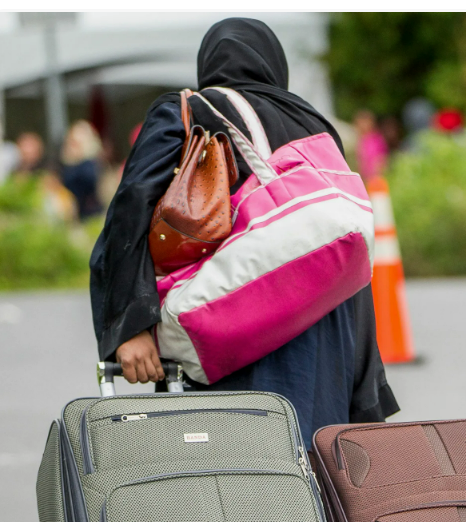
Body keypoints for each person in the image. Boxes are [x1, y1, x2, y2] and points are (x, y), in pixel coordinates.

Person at [89, 18, 397, 444]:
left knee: (233, 470)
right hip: (325, 345)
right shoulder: (316, 125)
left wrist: (130, 326)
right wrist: (366, 391)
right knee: (314, 467)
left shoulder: (191, 111)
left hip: (235, 329)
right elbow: (347, 249)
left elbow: (132, 207)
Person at [353, 109, 388, 182]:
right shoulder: (357, 139)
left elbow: (382, 159)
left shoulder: (376, 139)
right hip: (361, 178)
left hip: (375, 177)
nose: (363, 125)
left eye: (365, 122)